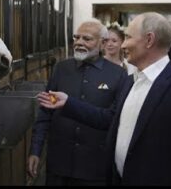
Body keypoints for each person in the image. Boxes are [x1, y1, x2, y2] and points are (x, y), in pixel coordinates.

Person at [37, 12, 171, 185]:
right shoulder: (131, 81)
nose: (122, 46)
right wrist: (68, 103)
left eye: (128, 37)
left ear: (149, 40)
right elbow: (108, 119)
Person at [27, 18, 127, 186]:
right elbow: (45, 112)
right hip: (59, 166)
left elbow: (113, 120)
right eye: (76, 37)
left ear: (103, 44)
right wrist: (35, 150)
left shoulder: (118, 75)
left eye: (87, 39)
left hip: (94, 169)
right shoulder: (61, 69)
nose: (79, 43)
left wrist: (69, 104)